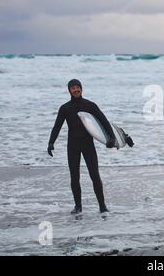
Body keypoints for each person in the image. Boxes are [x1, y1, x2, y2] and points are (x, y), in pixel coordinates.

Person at [47, 79, 133, 215]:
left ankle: (102, 206)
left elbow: (104, 122)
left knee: (94, 175)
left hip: (88, 145)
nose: (76, 90)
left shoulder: (90, 105)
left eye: (78, 87)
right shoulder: (65, 108)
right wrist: (51, 142)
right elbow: (57, 126)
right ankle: (78, 206)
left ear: (82, 89)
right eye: (73, 88)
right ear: (69, 90)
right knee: (74, 177)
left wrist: (111, 138)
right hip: (73, 146)